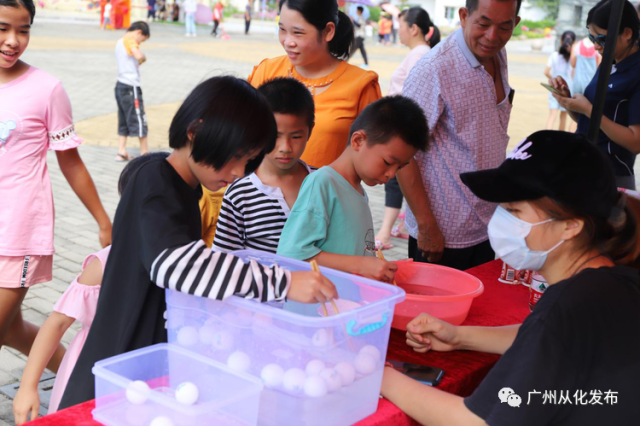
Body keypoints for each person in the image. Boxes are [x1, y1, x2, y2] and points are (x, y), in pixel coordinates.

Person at [58, 76, 337, 409]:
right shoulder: (154, 181)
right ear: (196, 131)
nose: (237, 172)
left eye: (247, 160)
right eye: (234, 157)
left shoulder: (187, 189)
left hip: (148, 365)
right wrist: (283, 282)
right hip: (118, 366)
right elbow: (176, 265)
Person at [381, 130, 640, 425]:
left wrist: (381, 375)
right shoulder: (614, 284)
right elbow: (543, 336)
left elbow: (478, 421)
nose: (500, 221)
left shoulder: (566, 307)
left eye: (514, 210)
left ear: (570, 226)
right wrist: (459, 337)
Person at [0, 0, 111, 378]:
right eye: (3, 29)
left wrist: (102, 219)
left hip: (19, 233)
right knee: (12, 331)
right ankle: (81, 384)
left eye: (24, 29)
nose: (13, 41)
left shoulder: (47, 89)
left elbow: (71, 161)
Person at [12, 153, 167, 423]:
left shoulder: (182, 261)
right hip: (93, 377)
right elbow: (57, 322)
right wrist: (27, 386)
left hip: (149, 378)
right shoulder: (105, 263)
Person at [398, 0, 521, 271]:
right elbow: (401, 154)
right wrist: (426, 224)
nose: (492, 36)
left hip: (489, 225)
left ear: (516, 24)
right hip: (443, 235)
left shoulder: (498, 54)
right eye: (483, 24)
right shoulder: (434, 68)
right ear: (464, 16)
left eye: (504, 27)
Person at [277, 96, 428, 283]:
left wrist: (380, 267)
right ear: (358, 141)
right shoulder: (323, 183)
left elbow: (354, 253)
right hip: (320, 308)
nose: (391, 174)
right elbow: (292, 254)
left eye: (399, 167)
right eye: (388, 162)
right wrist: (361, 264)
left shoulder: (357, 190)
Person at [248, 0, 381, 169]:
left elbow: (377, 153)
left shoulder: (361, 85)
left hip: (330, 194)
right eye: (282, 29)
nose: (288, 41)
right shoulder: (267, 71)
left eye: (298, 32)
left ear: (328, 31)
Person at [213, 78, 315, 253]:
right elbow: (225, 258)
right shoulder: (240, 194)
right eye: (275, 136)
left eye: (296, 137)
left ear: (310, 131)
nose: (285, 148)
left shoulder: (324, 183)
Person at [551, 0, 640, 190]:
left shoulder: (636, 72)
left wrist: (589, 110)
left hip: (611, 176)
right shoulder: (610, 62)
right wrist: (569, 102)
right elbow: (591, 123)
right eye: (592, 39)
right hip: (583, 165)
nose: (596, 47)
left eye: (601, 39)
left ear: (627, 33)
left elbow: (635, 142)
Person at [376, 7, 434, 250]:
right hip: (400, 123)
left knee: (395, 178)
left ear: (413, 29)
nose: (398, 31)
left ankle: (385, 232)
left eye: (401, 26)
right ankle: (388, 230)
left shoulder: (420, 54)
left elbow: (412, 94)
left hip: (402, 125)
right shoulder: (420, 52)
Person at [114, 21, 150, 162]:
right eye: (143, 39)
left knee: (123, 119)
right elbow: (138, 55)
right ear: (139, 32)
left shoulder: (119, 41)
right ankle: (144, 153)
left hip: (120, 85)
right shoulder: (130, 41)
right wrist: (142, 57)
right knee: (139, 119)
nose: (141, 43)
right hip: (131, 87)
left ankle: (121, 151)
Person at [544, 30, 576, 130]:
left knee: (552, 116)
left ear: (561, 41)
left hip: (554, 88)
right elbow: (573, 74)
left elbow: (546, 72)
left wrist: (553, 80)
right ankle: (561, 140)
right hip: (567, 89)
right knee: (563, 117)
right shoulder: (573, 58)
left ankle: (547, 139)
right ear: (574, 43)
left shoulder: (554, 55)